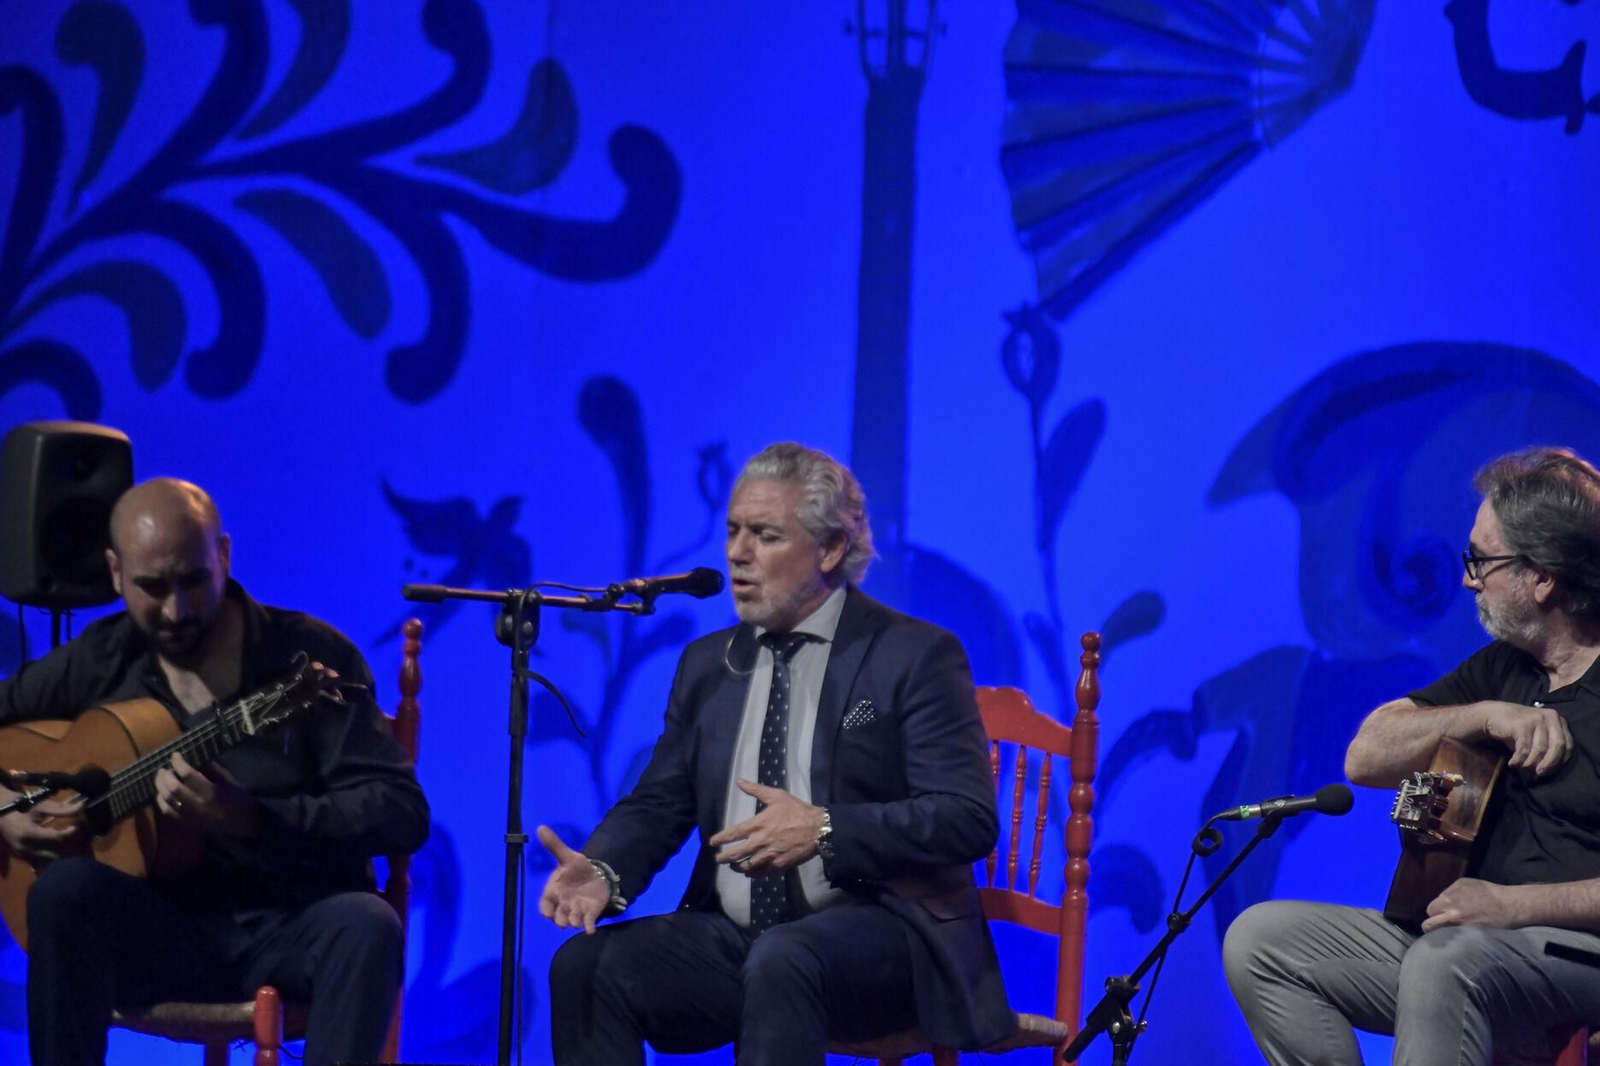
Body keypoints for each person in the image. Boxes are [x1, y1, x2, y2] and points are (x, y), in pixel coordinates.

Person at [537, 441, 1012, 1065]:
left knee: (785, 959)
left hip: (886, 936)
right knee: (588, 965)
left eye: (764, 535)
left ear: (832, 548)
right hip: (742, 939)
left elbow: (965, 817)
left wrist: (825, 828)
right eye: (733, 531)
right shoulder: (708, 665)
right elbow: (659, 802)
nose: (737, 553)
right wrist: (604, 871)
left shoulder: (914, 655)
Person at [0, 477, 430, 1066]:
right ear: (115, 572)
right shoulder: (104, 655)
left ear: (223, 557)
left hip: (290, 922)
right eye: (152, 587)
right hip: (163, 933)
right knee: (62, 892)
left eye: (194, 580)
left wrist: (253, 819)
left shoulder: (305, 657)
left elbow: (400, 812)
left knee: (370, 925)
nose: (176, 610)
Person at [1224, 446, 1600, 1066]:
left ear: (1543, 578)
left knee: (1443, 963)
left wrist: (1513, 907)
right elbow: (1365, 757)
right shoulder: (1506, 666)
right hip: (1463, 941)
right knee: (1260, 943)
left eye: (1481, 560)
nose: (1465, 578)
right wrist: (1484, 715)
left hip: (1572, 954)